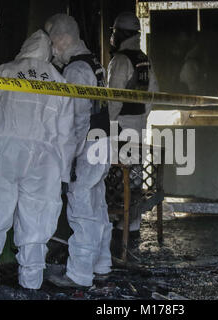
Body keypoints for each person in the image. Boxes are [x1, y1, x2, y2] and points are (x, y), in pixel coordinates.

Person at [0, 30, 76, 290]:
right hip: (44, 160)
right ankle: (31, 286)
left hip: (3, 152)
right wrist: (65, 174)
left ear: (25, 47)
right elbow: (66, 134)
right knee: (37, 224)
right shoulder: (59, 80)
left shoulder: (6, 71)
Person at [44, 14, 112, 288]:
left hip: (86, 148)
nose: (52, 50)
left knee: (82, 211)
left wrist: (67, 159)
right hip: (103, 144)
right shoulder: (95, 64)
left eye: (52, 43)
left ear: (62, 39)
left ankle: (79, 275)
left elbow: (76, 120)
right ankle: (102, 265)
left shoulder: (75, 70)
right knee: (98, 208)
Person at [107, 12, 159, 232]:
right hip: (137, 124)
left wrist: (108, 126)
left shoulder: (120, 60)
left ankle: (121, 222)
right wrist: (143, 119)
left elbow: (113, 98)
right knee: (135, 173)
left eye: (114, 32)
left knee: (118, 174)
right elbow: (153, 92)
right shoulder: (143, 58)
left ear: (120, 33)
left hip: (121, 126)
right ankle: (133, 222)